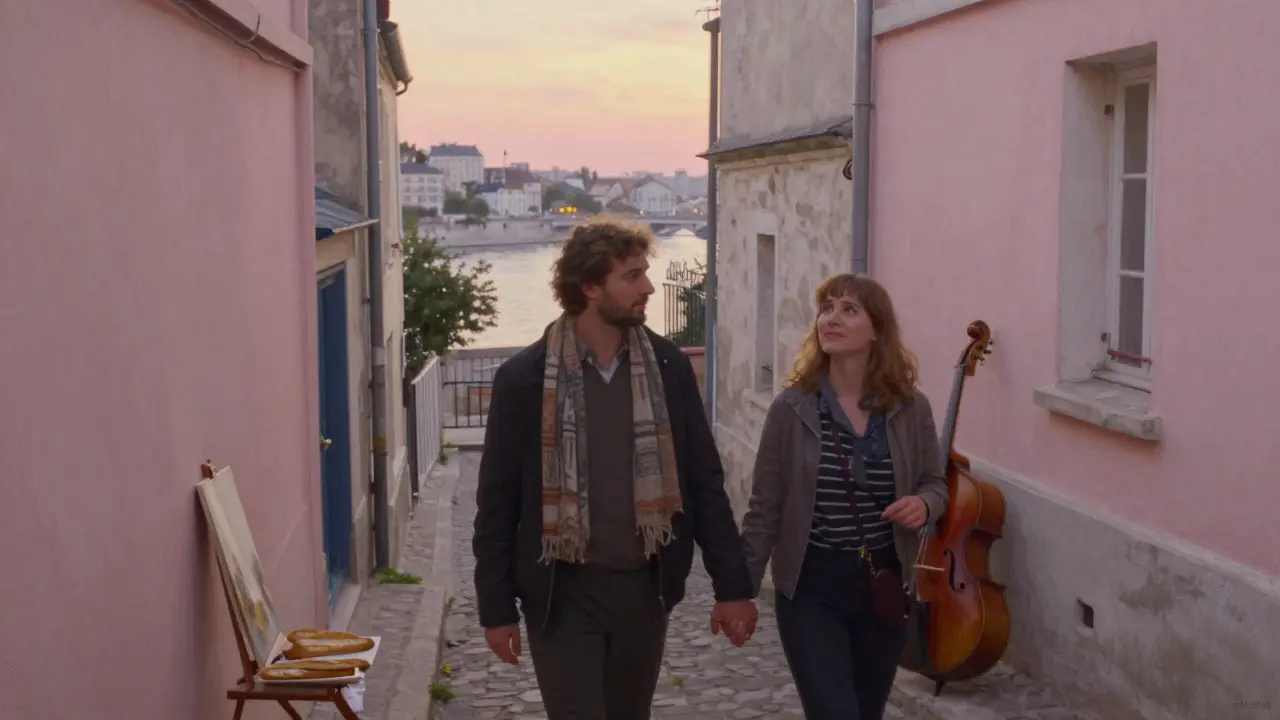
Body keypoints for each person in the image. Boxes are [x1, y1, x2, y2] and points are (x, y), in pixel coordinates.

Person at [473, 216, 758, 720]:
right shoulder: (523, 380)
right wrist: (495, 609)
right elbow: (497, 504)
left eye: (646, 273)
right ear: (588, 286)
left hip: (644, 590)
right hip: (562, 593)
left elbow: (703, 483)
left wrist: (732, 588)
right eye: (631, 276)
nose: (647, 286)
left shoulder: (668, 369)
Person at [740, 273, 948, 720]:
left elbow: (935, 483)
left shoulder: (911, 409)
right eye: (827, 308)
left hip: (884, 584)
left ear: (877, 329)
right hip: (812, 585)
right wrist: (740, 591)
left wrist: (924, 504)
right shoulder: (792, 409)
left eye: (849, 310)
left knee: (866, 712)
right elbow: (765, 509)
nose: (831, 318)